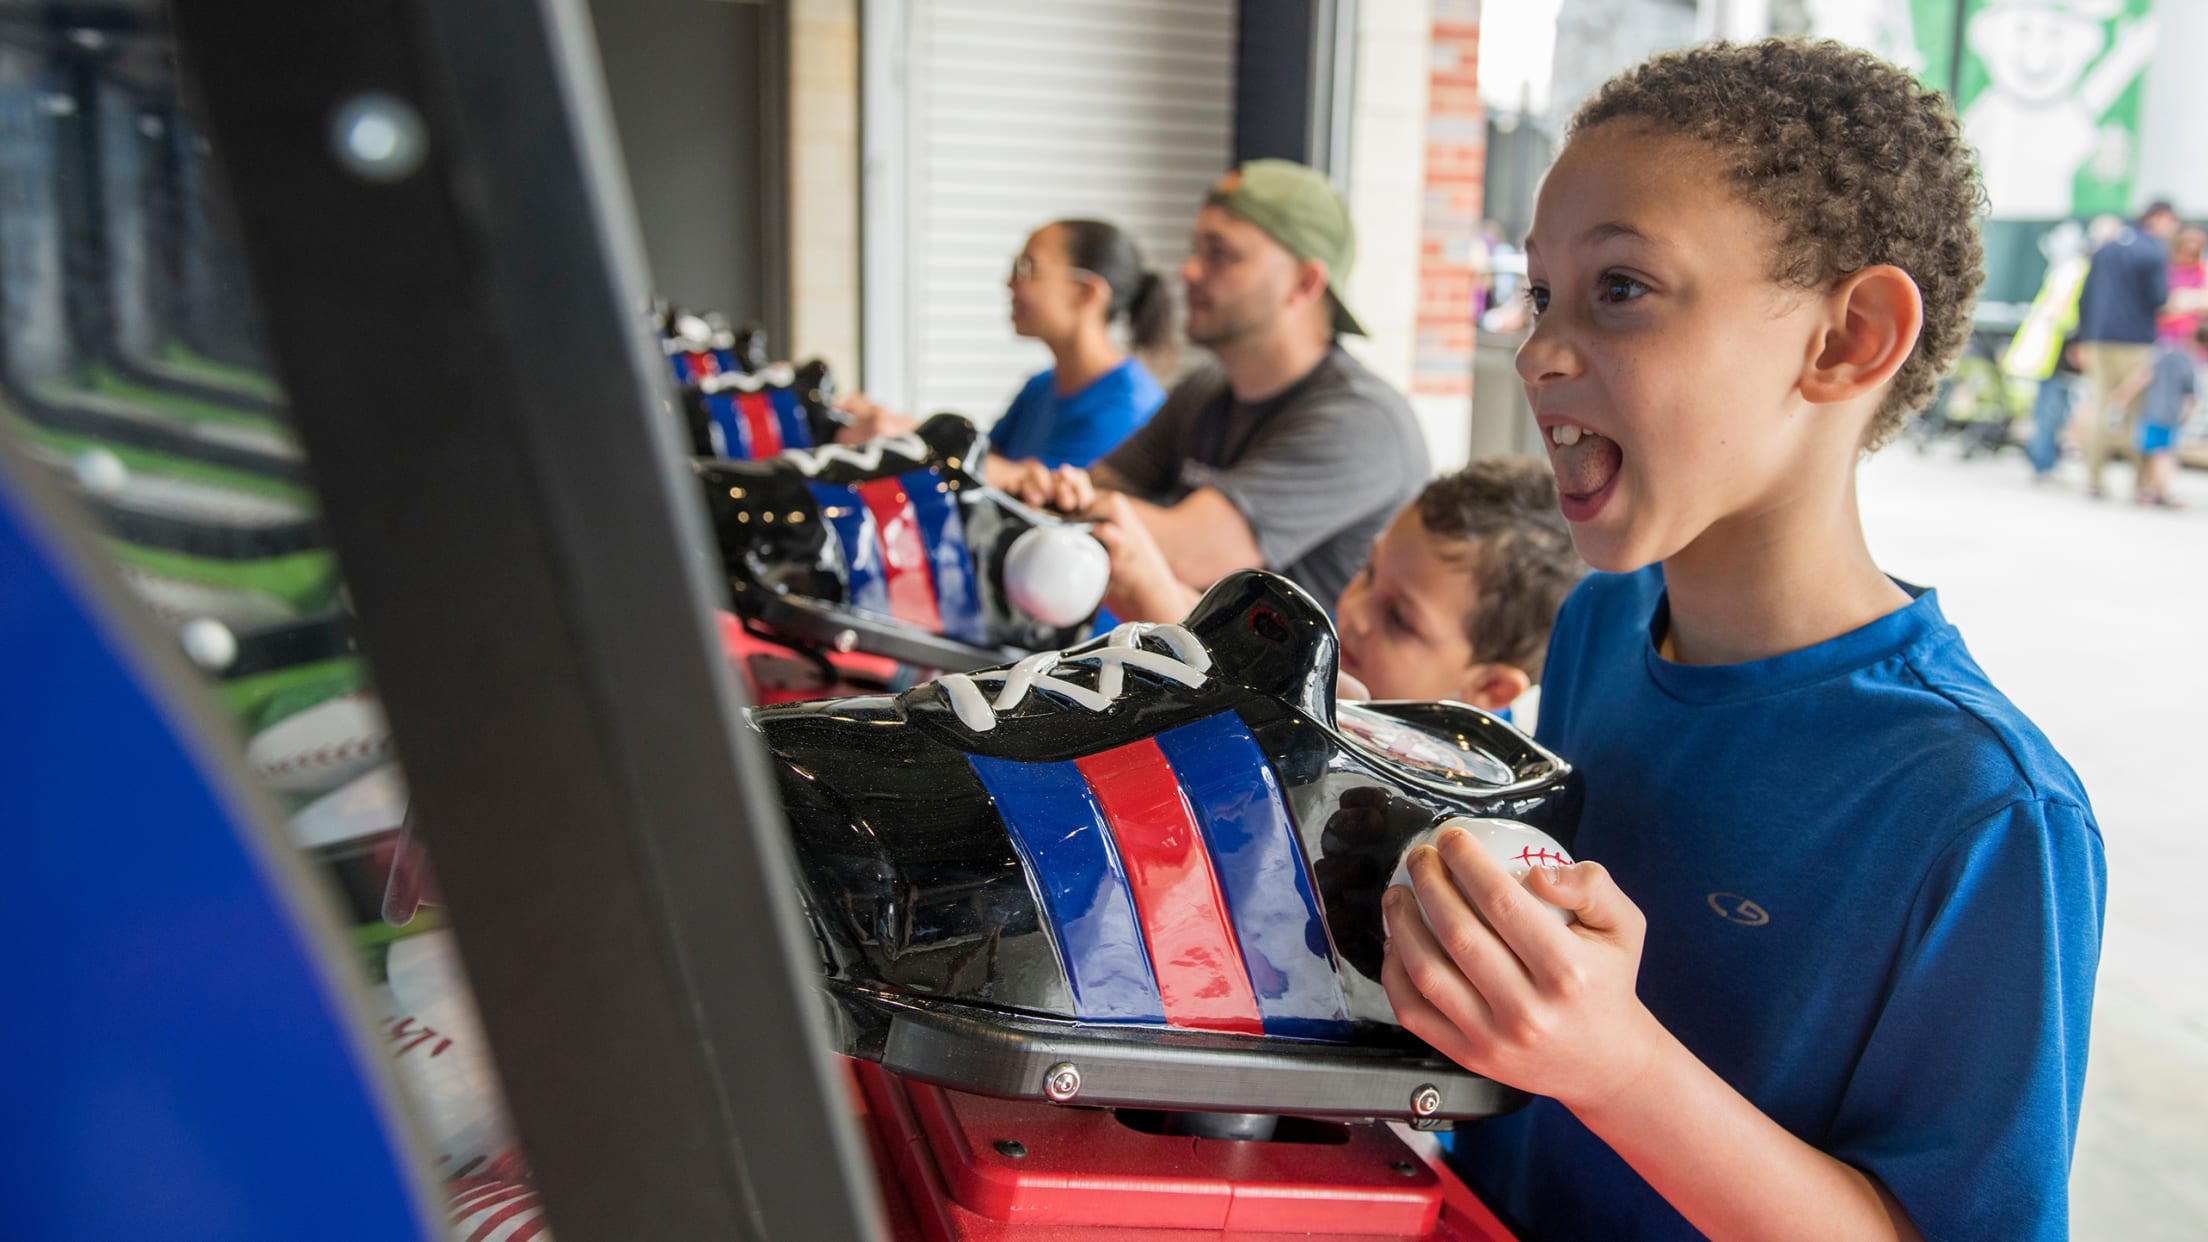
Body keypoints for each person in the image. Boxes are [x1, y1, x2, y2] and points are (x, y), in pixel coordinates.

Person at [1378, 40, 2103, 1242]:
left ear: (1846, 339)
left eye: (1621, 289)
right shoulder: (1602, 624)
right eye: (1543, 291)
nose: (1538, 351)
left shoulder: (1986, 811)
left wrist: (1616, 1067)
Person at [1010, 159, 1430, 619]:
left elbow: (1188, 553)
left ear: (1304, 282)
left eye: (1220, 254)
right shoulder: (1206, 390)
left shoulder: (1361, 423)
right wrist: (1057, 494)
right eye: (1195, 250)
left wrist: (1054, 498)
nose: (1188, 271)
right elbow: (1091, 489)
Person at [838, 218, 1169, 483]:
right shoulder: (1040, 387)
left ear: (1086, 293)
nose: (1010, 284)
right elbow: (983, 461)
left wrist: (912, 434)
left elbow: (1043, 497)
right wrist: (890, 428)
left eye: (1027, 269)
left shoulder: (1128, 409)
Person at [2073, 199, 2181, 497]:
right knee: (2139, 411)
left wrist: (2082, 337)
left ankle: (2093, 480)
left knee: (2098, 408)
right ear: (2159, 218)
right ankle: (2139, 485)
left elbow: (2086, 296)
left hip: (2098, 339)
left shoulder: (2106, 247)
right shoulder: (2151, 252)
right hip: (2136, 342)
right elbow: (2159, 299)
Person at [2112, 322, 2202, 507]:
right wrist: (2189, 416)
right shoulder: (2188, 363)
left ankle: (2157, 491)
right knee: (2164, 453)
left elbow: (2142, 376)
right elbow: (2191, 398)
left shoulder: (2163, 355)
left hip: (2152, 412)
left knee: (2156, 452)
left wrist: (2122, 395)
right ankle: (2157, 491)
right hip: (2171, 415)